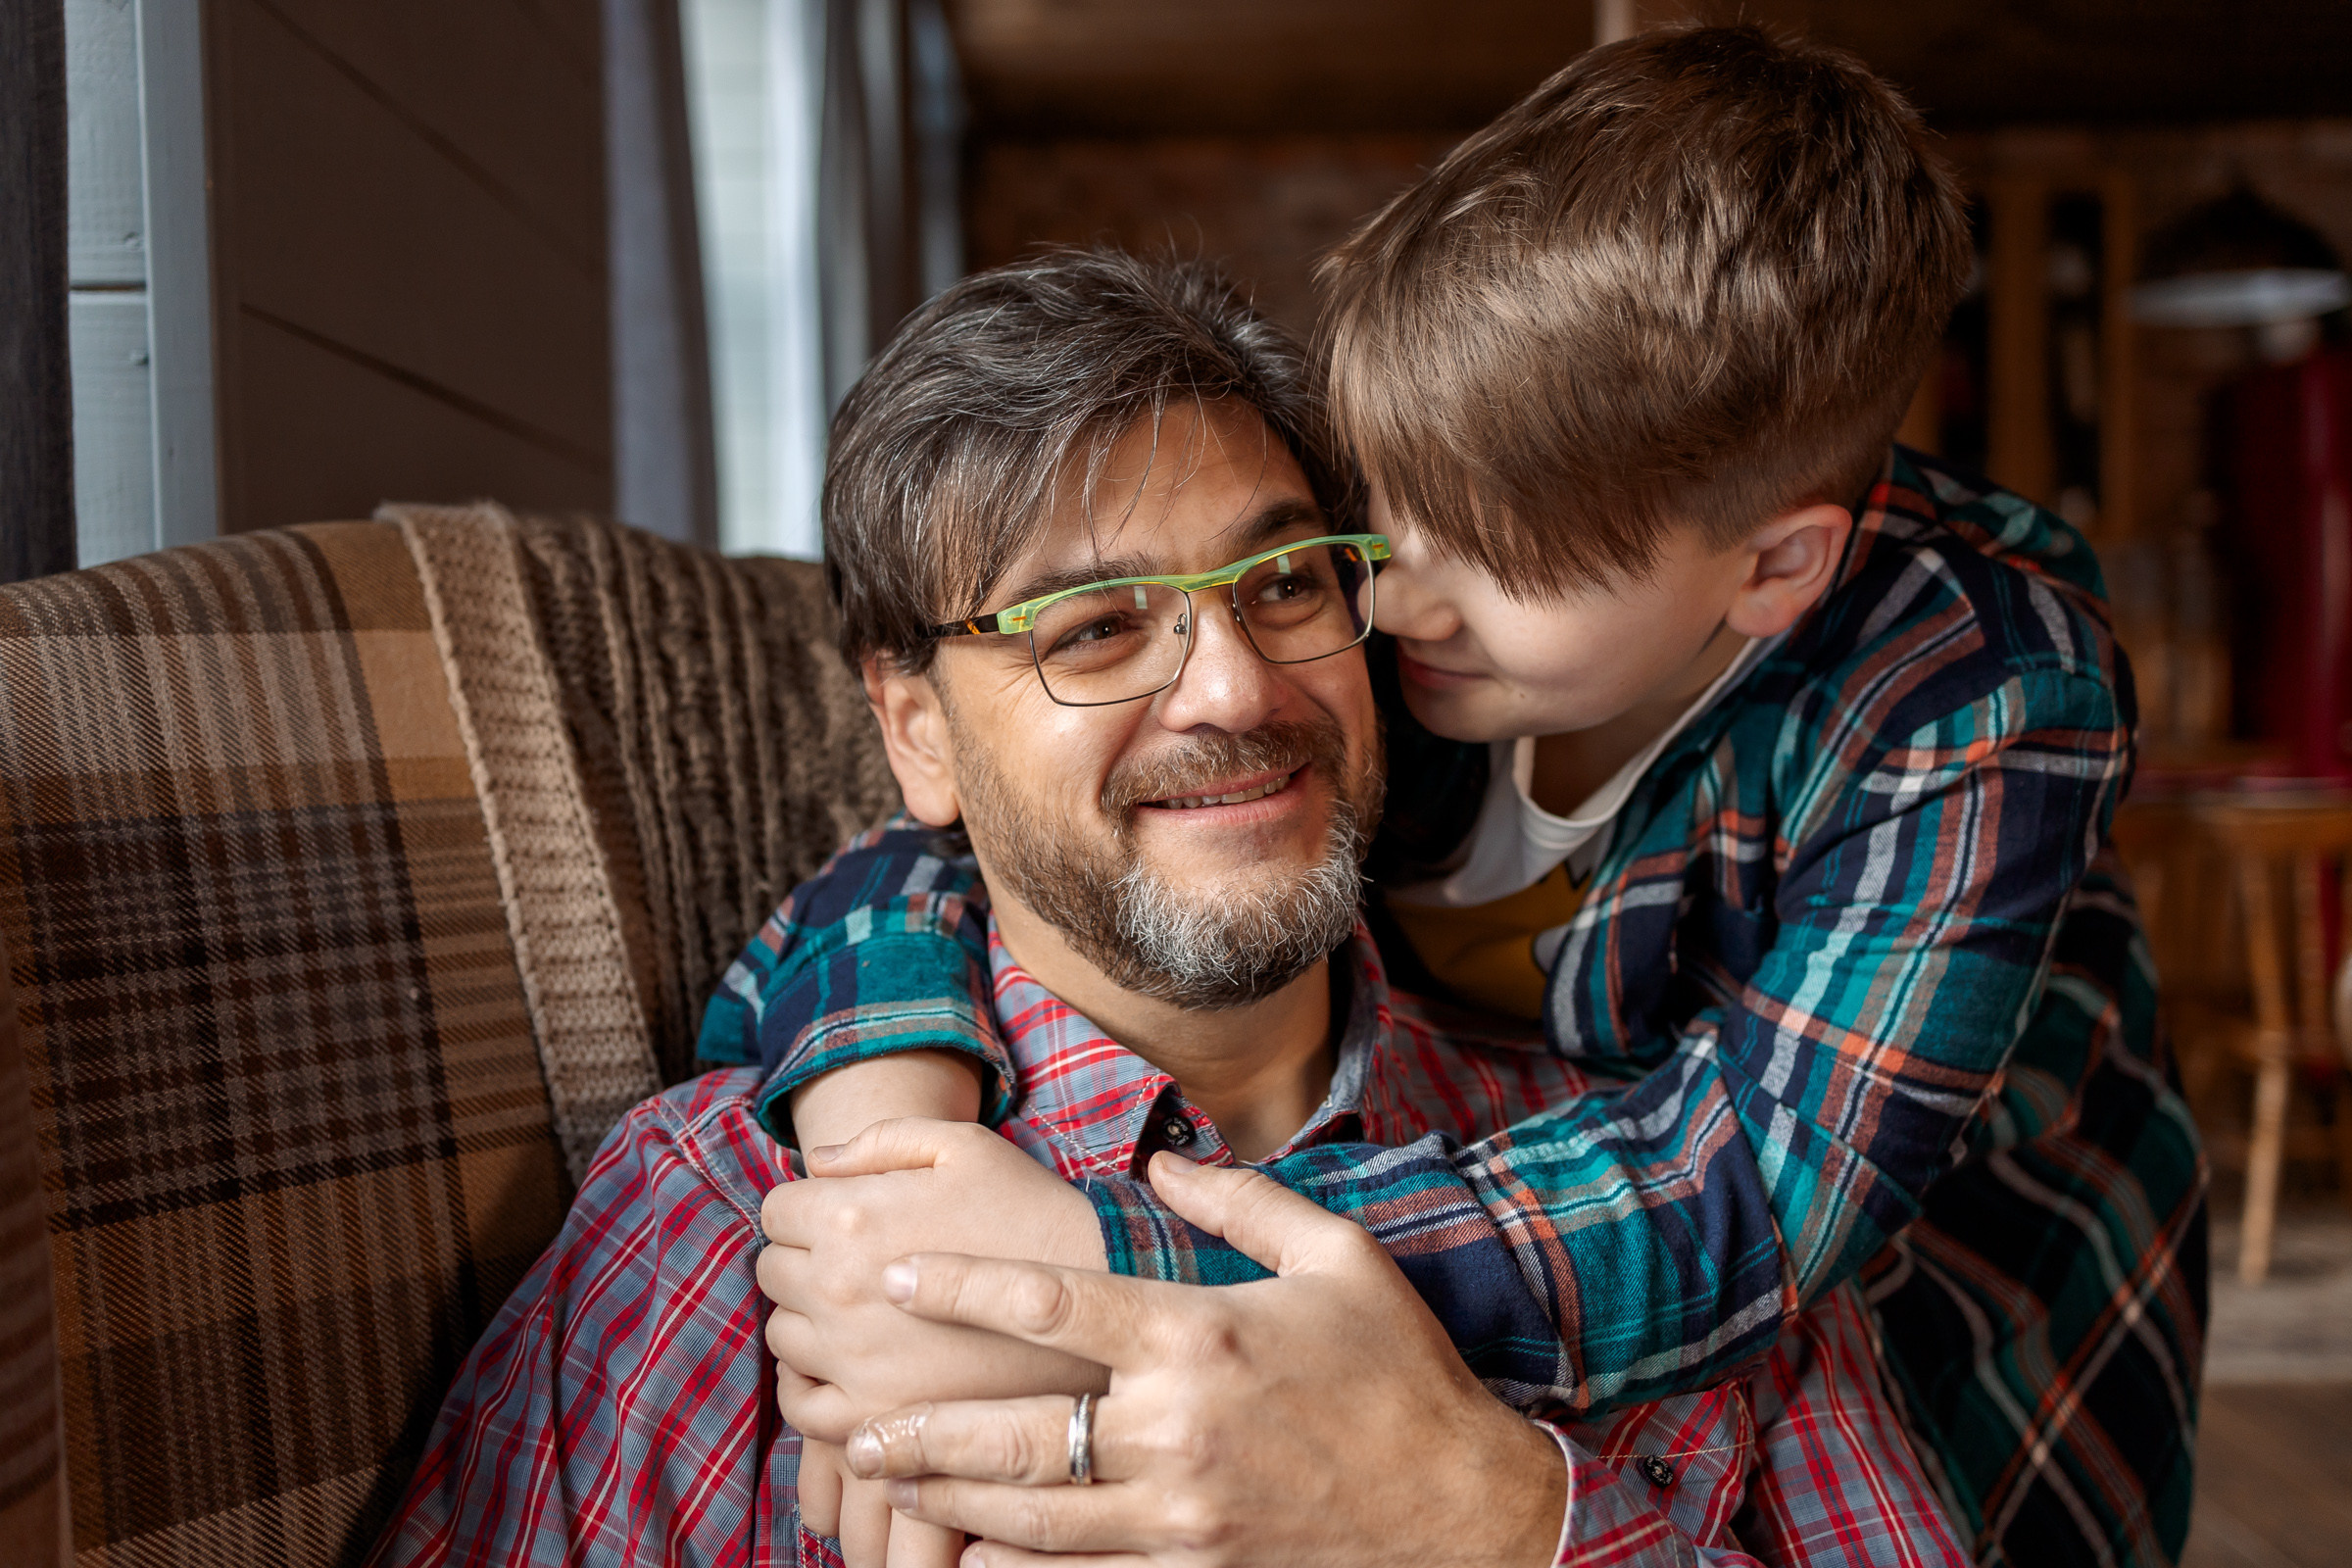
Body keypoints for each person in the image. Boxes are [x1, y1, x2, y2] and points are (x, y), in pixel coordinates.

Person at [723, 24, 2206, 1568]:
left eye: (1491, 556)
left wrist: (1092, 1265)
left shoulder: (1977, 693)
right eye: (1369, 514)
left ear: (1771, 567)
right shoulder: (1376, 625)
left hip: (1965, 1298)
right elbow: (973, 843)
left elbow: (1740, 1208)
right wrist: (882, 1150)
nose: (1392, 597)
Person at [371, 248, 1967, 1567]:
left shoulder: (1653, 1203)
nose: (1236, 686)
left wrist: (1490, 1517)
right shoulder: (742, 1237)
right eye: (1094, 624)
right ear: (916, 726)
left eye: (1283, 584)